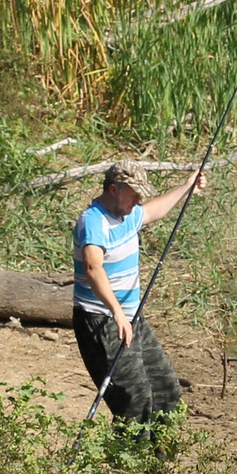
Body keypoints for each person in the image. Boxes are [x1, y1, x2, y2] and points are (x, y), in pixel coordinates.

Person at [72, 159, 206, 426]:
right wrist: (117, 312)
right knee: (134, 398)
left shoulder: (128, 214)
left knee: (167, 390)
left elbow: (152, 211)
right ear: (114, 189)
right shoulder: (94, 222)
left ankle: (158, 464)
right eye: (134, 193)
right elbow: (92, 268)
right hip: (103, 321)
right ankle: (127, 465)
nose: (139, 198)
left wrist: (187, 187)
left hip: (131, 319)